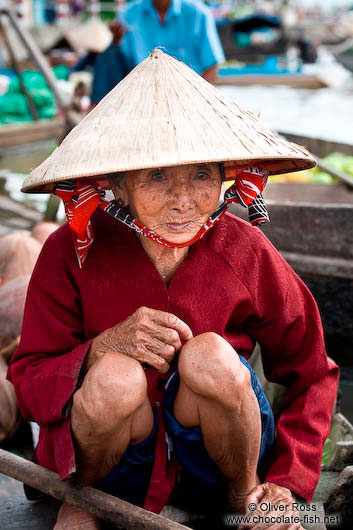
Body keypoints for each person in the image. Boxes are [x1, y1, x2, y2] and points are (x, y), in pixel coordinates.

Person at [7, 50, 338, 530]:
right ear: (117, 184)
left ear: (225, 177)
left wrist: (287, 483)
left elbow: (314, 371)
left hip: (217, 464)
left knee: (209, 356)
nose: (183, 201)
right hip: (111, 468)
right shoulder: (69, 250)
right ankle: (87, 498)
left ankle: (248, 498)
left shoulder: (244, 248)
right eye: (158, 176)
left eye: (201, 175)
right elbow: (32, 386)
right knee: (116, 377)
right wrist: (101, 349)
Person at [91, 0, 225, 103]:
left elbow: (212, 68)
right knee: (108, 57)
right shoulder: (128, 14)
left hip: (188, 99)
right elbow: (118, 66)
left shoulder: (199, 14)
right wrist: (115, 42)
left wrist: (190, 100)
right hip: (141, 100)